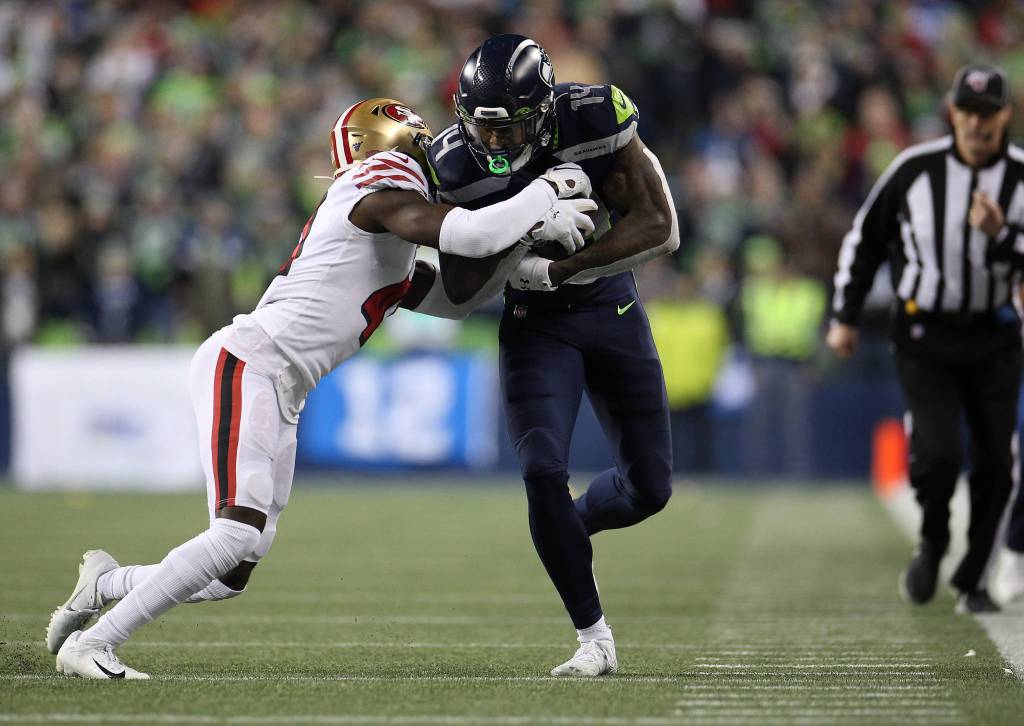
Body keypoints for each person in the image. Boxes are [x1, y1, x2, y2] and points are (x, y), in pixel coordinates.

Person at [46, 97, 598, 679]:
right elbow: (468, 231)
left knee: (232, 572)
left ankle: (105, 582)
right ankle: (93, 644)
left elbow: (457, 301)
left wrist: (524, 256)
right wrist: (542, 198)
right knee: (234, 531)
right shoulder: (377, 189)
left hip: (281, 385)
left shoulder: (384, 236)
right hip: (251, 363)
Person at [427, 35, 679, 677]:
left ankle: (568, 527)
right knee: (541, 470)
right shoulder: (454, 162)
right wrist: (522, 246)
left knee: (649, 490)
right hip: (534, 326)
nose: (497, 144)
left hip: (611, 309)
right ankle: (593, 638)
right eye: (486, 128)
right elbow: (458, 284)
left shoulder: (592, 116)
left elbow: (661, 227)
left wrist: (562, 269)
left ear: (542, 109)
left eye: (512, 127)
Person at [827, 65, 1024, 614]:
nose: (979, 124)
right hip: (925, 332)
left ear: (1005, 115)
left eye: (989, 113)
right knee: (937, 455)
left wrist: (1002, 236)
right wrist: (844, 315)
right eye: (969, 111)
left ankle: (973, 578)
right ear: (952, 111)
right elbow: (865, 239)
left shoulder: (1021, 176)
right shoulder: (916, 169)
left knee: (997, 465)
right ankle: (934, 537)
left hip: (995, 334)